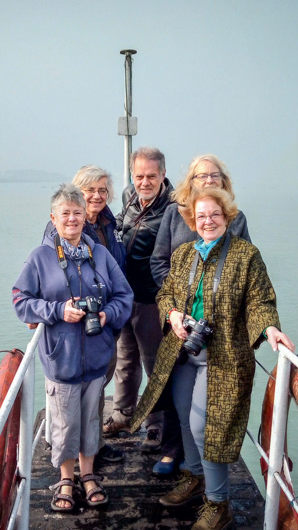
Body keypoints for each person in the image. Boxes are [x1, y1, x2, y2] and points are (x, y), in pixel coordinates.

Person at [130, 187, 295, 530]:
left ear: (227, 217)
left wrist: (269, 329)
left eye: (214, 215)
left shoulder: (246, 256)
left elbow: (259, 301)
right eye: (201, 216)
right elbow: (167, 293)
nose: (207, 221)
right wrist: (174, 315)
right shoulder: (185, 255)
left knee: (207, 429)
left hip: (224, 360)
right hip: (184, 352)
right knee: (185, 420)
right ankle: (193, 477)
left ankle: (219, 504)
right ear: (192, 220)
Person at [12, 184, 133, 512]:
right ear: (53, 217)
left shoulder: (101, 255)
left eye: (77, 213)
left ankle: (88, 474)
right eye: (64, 213)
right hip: (61, 359)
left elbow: (125, 296)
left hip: (96, 356)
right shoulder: (41, 257)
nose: (72, 219)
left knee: (91, 420)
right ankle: (66, 479)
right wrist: (56, 312)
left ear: (85, 218)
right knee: (65, 423)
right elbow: (21, 300)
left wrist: (107, 316)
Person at [148, 154, 252, 476]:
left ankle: (212, 494)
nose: (208, 180)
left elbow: (247, 275)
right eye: (200, 175)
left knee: (201, 416)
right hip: (180, 323)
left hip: (218, 334)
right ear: (189, 182)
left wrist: (266, 328)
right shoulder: (174, 215)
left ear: (224, 181)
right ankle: (181, 461)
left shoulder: (237, 219)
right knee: (179, 399)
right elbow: (159, 262)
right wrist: (179, 301)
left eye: (214, 175)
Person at [39, 166, 126, 466]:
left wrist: (112, 312)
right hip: (71, 329)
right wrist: (52, 311)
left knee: (97, 386)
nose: (97, 195)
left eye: (103, 190)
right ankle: (72, 460)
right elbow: (46, 279)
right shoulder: (61, 231)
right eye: (90, 190)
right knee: (71, 397)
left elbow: (117, 268)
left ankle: (94, 446)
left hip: (103, 322)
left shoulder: (107, 222)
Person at [103, 147, 176, 453]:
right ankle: (122, 414)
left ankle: (156, 424)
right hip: (125, 297)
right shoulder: (129, 196)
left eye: (151, 176)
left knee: (153, 364)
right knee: (124, 360)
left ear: (162, 174)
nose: (144, 182)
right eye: (139, 175)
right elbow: (120, 224)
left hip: (152, 299)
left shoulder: (174, 208)